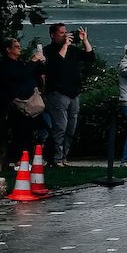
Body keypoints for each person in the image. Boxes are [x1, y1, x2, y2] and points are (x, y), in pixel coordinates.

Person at [42, 23, 94, 167]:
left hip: (73, 93)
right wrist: (65, 45)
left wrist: (84, 40)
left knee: (71, 127)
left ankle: (64, 156)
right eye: (61, 33)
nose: (65, 35)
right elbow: (57, 63)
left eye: (66, 32)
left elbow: (90, 57)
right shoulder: (48, 50)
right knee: (60, 126)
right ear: (53, 35)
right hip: (58, 92)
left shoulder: (73, 50)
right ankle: (56, 158)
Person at [0, 38, 46, 162]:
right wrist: (32, 61)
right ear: (8, 49)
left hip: (28, 103)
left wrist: (40, 63)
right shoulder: (5, 65)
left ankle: (28, 158)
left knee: (32, 132)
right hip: (16, 104)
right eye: (17, 46)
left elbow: (32, 74)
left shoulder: (20, 63)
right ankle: (18, 159)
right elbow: (21, 75)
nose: (20, 48)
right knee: (20, 133)